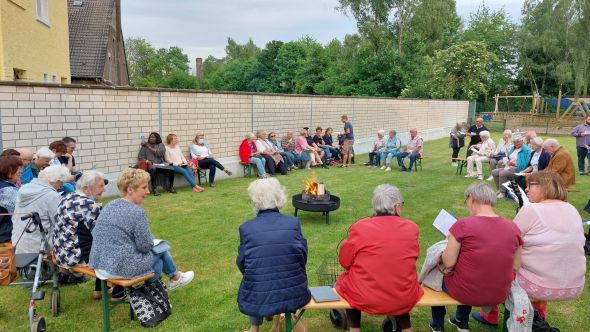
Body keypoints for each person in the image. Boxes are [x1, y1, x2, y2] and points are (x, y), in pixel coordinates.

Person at [475, 171, 586, 327]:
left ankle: (489, 315)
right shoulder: (571, 209)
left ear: (546, 186)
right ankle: (537, 317)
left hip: (541, 286)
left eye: (530, 185)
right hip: (574, 285)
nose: (526, 189)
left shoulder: (531, 210)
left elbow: (506, 241)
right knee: (539, 264)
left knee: (493, 263)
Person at [429, 183, 522, 332]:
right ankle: (461, 320)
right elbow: (516, 266)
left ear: (471, 199)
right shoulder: (513, 227)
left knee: (434, 275)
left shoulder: (463, 225)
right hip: (499, 292)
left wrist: (448, 243)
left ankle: (437, 323)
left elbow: (448, 262)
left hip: (469, 291)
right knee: (468, 274)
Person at [336, 185, 423, 332]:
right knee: (397, 282)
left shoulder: (360, 227)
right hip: (402, 294)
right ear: (396, 206)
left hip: (365, 295)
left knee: (351, 283)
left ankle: (355, 329)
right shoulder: (411, 228)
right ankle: (407, 329)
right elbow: (414, 256)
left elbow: (345, 261)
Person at [89, 168, 194, 289]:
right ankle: (166, 284)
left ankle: (169, 283)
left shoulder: (109, 205)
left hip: (100, 265)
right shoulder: (137, 212)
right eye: (144, 187)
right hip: (118, 268)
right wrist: (151, 241)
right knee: (160, 248)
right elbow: (145, 247)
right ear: (130, 190)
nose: (148, 191)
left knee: (158, 260)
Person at [237, 177, 310, 332]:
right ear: (279, 196)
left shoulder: (246, 228)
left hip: (260, 295)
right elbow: (302, 256)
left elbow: (242, 263)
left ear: (255, 200)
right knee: (259, 277)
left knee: (255, 278)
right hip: (294, 292)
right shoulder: (293, 223)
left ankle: (254, 328)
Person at [52, 170, 114, 299]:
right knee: (119, 248)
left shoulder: (68, 197)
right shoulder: (89, 205)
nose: (104, 190)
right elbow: (105, 235)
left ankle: (100, 289)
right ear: (86, 188)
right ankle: (118, 292)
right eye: (100, 186)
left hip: (61, 253)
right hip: (75, 258)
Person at [11, 165, 71, 254]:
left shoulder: (23, 188)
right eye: (61, 184)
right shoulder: (52, 196)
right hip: (40, 248)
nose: (60, 187)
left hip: (18, 242)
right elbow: (60, 223)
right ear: (56, 181)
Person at [491, 133, 531, 198]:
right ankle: (499, 189)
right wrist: (506, 162)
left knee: (502, 173)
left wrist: (513, 164)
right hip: (509, 167)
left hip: (518, 168)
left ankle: (503, 192)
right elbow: (509, 157)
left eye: (518, 142)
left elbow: (524, 164)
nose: (516, 144)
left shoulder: (526, 150)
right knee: (494, 172)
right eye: (514, 142)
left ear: (522, 141)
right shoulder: (513, 148)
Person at [138, 132, 176, 196]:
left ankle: (171, 187)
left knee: (171, 169)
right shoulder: (144, 146)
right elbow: (140, 157)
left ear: (157, 138)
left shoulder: (161, 145)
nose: (151, 138)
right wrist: (147, 161)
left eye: (153, 137)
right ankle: (154, 189)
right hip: (151, 166)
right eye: (150, 137)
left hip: (160, 165)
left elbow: (159, 153)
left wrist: (148, 147)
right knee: (153, 168)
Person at [0, 156, 23, 243]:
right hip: (6, 236)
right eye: (18, 169)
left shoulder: (6, 185)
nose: (21, 172)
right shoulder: (6, 191)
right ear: (9, 171)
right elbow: (20, 209)